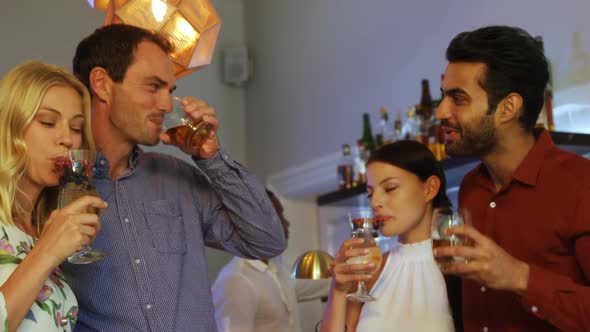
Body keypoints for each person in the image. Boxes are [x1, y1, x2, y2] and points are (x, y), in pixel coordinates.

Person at [60, 24, 287, 332]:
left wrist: (212, 157)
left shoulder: (178, 177)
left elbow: (267, 242)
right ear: (102, 84)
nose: (167, 104)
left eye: (170, 91)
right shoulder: (56, 187)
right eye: (153, 87)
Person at [434, 25, 590, 331]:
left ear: (508, 108)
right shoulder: (470, 189)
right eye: (443, 96)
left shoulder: (581, 185)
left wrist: (520, 277)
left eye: (458, 98)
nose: (440, 111)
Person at [0, 61, 107, 331]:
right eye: (48, 122)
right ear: (10, 126)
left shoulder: (39, 230)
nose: (67, 139)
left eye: (76, 127)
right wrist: (47, 251)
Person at [321, 140, 455, 332]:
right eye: (370, 194)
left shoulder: (459, 264)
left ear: (429, 188)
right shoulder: (369, 271)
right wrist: (338, 289)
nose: (375, 202)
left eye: (390, 188)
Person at [212, 189, 331, 332]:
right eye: (279, 215)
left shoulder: (276, 269)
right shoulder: (235, 280)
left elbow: (310, 288)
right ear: (258, 222)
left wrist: (350, 280)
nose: (287, 223)